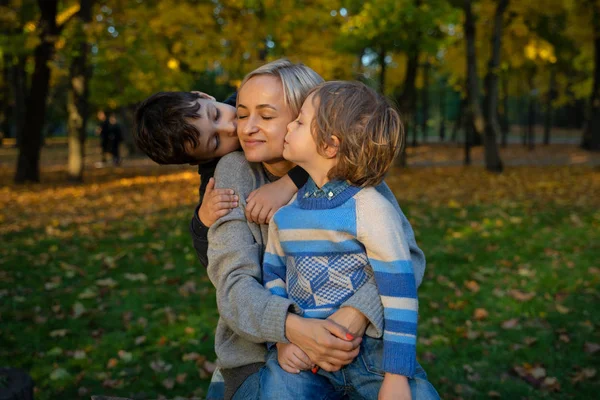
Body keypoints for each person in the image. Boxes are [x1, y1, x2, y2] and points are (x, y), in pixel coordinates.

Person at [206, 60, 428, 400]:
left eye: (266, 116)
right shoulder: (236, 171)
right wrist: (289, 331)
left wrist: (353, 317)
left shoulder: (350, 174)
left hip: (357, 346)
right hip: (267, 353)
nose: (247, 128)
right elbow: (234, 286)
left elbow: (406, 259)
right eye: (241, 113)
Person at [260, 81, 439, 399]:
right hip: (302, 355)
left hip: (371, 355)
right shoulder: (284, 215)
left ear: (329, 145)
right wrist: (282, 341)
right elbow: (273, 277)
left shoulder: (370, 207)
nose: (290, 125)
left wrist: (397, 375)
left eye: (300, 121)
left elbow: (400, 293)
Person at [133, 91, 305, 267]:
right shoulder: (217, 171)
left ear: (205, 96)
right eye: (215, 141)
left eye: (216, 114)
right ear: (203, 160)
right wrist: (203, 221)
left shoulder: (256, 95)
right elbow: (215, 259)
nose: (230, 128)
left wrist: (287, 184)